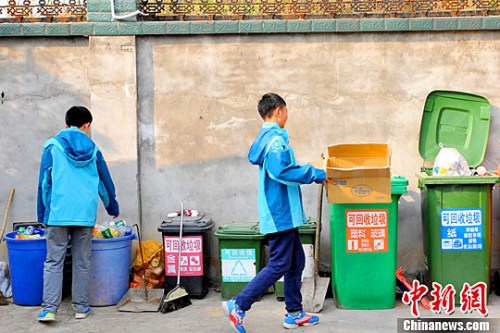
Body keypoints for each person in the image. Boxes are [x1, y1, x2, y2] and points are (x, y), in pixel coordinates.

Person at [222, 93, 326, 332]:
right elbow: (281, 171)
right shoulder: (275, 141)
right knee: (279, 264)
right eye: (286, 111)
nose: (287, 116)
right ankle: (239, 305)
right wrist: (315, 174)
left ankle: (294, 313)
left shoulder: (267, 138)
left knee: (296, 262)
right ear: (278, 111)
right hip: (281, 213)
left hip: (282, 213)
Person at [36, 106, 119, 322]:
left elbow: (44, 183)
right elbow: (105, 184)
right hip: (84, 215)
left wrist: (42, 214)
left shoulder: (52, 147)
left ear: (66, 124)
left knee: (54, 261)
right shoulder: (94, 149)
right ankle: (81, 308)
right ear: (87, 125)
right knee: (82, 262)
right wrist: (113, 208)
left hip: (57, 214)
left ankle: (49, 309)